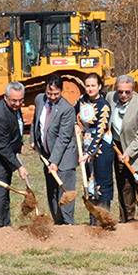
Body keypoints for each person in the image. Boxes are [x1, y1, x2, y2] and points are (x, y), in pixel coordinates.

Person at [33, 77, 79, 225]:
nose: (52, 97)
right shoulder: (39, 99)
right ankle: (57, 224)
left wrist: (54, 162)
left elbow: (63, 138)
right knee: (51, 192)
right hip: (47, 155)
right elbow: (36, 120)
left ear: (61, 91)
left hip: (64, 157)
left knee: (64, 194)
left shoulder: (67, 109)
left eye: (56, 94)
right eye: (49, 93)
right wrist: (33, 140)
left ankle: (67, 225)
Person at [111, 74, 138, 222]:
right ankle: (126, 222)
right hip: (119, 152)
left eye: (127, 92)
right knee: (125, 189)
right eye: (120, 91)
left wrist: (129, 152)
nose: (123, 95)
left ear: (133, 90)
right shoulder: (111, 98)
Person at [0, 83, 28, 228]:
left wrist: (18, 143)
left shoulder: (14, 109)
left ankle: (6, 227)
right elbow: (2, 147)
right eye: (13, 100)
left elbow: (17, 127)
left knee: (4, 197)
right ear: (5, 97)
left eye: (20, 100)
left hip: (5, 161)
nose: (17, 104)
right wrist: (19, 166)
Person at [75, 73, 115, 215]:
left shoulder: (104, 106)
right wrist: (76, 125)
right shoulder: (81, 101)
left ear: (99, 86)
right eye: (87, 85)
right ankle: (93, 219)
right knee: (89, 183)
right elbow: (73, 114)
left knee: (102, 182)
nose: (90, 88)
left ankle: (104, 217)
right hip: (85, 144)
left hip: (101, 146)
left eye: (93, 85)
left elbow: (100, 132)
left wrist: (88, 153)